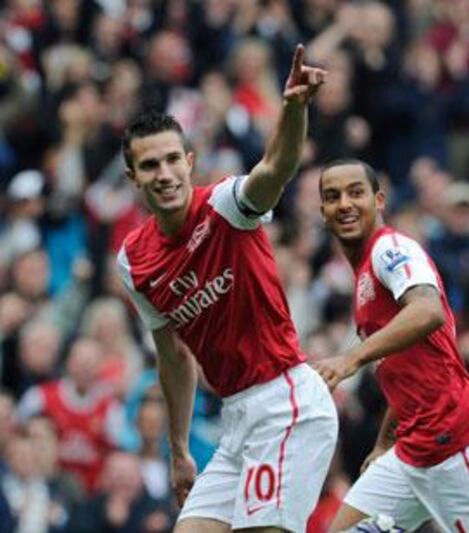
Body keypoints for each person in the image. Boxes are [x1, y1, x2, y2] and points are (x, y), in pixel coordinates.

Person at [116, 45, 338, 533]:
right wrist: (177, 451)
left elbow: (275, 168)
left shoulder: (226, 207)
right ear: (134, 178)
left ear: (189, 161)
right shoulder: (133, 261)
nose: (166, 174)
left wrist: (294, 107)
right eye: (150, 166)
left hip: (287, 405)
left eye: (173, 159)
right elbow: (172, 355)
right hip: (235, 421)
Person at [314, 159, 469, 533]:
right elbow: (405, 371)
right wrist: (383, 444)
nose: (344, 203)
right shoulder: (363, 279)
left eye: (355, 193)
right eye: (332, 197)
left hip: (460, 441)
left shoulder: (389, 248)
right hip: (412, 450)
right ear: (323, 212)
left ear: (379, 200)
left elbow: (428, 311)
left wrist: (350, 358)